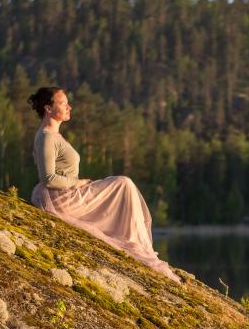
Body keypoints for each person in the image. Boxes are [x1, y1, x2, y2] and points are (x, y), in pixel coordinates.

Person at [27, 86, 180, 283]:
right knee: (123, 184)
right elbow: (48, 178)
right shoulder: (46, 137)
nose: (69, 107)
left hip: (65, 193)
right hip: (61, 197)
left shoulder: (52, 135)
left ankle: (137, 243)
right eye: (63, 103)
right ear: (48, 108)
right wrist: (78, 183)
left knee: (123, 185)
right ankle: (138, 245)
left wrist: (77, 184)